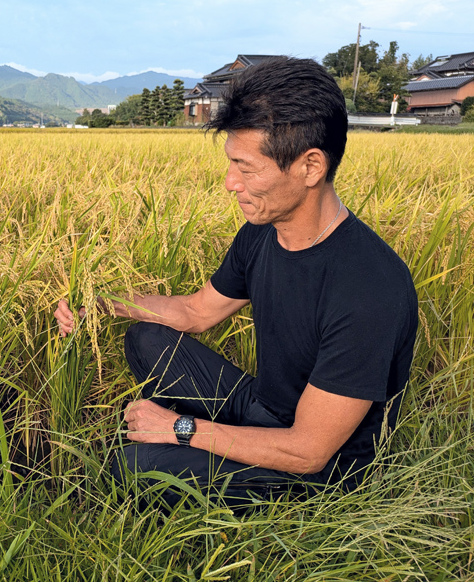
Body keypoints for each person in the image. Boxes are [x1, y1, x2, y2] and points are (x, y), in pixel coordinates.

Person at [54, 57, 418, 508]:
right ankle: (199, 445)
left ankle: (182, 448)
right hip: (262, 407)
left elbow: (309, 450)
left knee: (129, 466)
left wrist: (179, 429)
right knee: (146, 338)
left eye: (246, 168)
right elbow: (196, 312)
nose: (230, 183)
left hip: (320, 470)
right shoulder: (262, 232)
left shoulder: (369, 289)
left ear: (310, 167)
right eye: (231, 164)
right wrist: (102, 303)